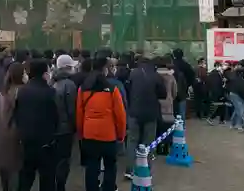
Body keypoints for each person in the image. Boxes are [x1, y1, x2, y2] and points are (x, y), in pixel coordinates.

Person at [76, 57, 126, 191]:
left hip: (89, 134)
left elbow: (79, 114)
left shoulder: (83, 89)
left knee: (91, 166)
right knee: (110, 165)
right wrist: (121, 135)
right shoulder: (112, 89)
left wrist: (81, 133)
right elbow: (120, 116)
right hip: (108, 135)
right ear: (105, 69)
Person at [15, 58, 59, 191]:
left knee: (26, 176)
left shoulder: (22, 91)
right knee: (47, 178)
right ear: (44, 73)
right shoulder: (50, 92)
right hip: (46, 142)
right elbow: (55, 116)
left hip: (27, 140)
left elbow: (17, 113)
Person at [124, 57, 167, 179]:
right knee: (148, 142)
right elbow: (163, 94)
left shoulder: (132, 74)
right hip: (150, 113)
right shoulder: (156, 76)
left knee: (132, 140)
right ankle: (145, 168)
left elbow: (127, 90)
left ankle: (129, 170)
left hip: (134, 112)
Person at [0, 62, 27, 191]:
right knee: (17, 170)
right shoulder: (23, 92)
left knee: (5, 170)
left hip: (2, 135)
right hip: (17, 134)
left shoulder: (3, 93)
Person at [52, 54, 78, 191]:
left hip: (52, 128)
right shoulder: (70, 85)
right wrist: (76, 126)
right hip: (65, 129)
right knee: (64, 160)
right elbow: (72, 109)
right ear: (67, 68)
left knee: (54, 160)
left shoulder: (52, 82)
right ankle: (60, 186)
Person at [156, 56, 178, 155]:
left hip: (156, 105)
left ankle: (158, 147)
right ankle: (166, 147)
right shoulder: (171, 77)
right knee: (168, 128)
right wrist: (171, 99)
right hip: (168, 105)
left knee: (158, 127)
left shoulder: (154, 76)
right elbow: (175, 91)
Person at [225, 61, 244, 134]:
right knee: (240, 110)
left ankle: (233, 124)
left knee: (237, 110)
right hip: (235, 93)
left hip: (242, 94)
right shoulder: (234, 73)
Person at [172, 49, 195, 122]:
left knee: (173, 111)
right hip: (183, 90)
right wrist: (188, 85)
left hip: (172, 90)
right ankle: (182, 127)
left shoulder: (172, 65)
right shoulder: (186, 65)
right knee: (182, 111)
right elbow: (192, 76)